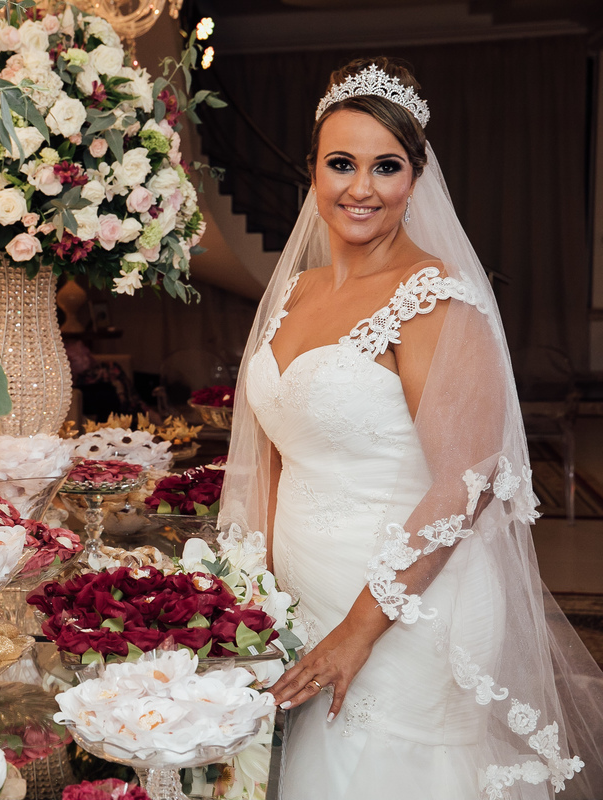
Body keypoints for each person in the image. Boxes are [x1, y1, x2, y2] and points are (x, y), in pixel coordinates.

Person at [218, 57, 603, 800]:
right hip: (300, 597)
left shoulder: (435, 300)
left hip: (409, 611)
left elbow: (467, 482)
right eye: (341, 163)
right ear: (312, 172)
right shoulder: (294, 289)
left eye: (385, 166)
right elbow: (272, 452)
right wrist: (252, 596)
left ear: (415, 178)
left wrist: (359, 631)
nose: (360, 188)